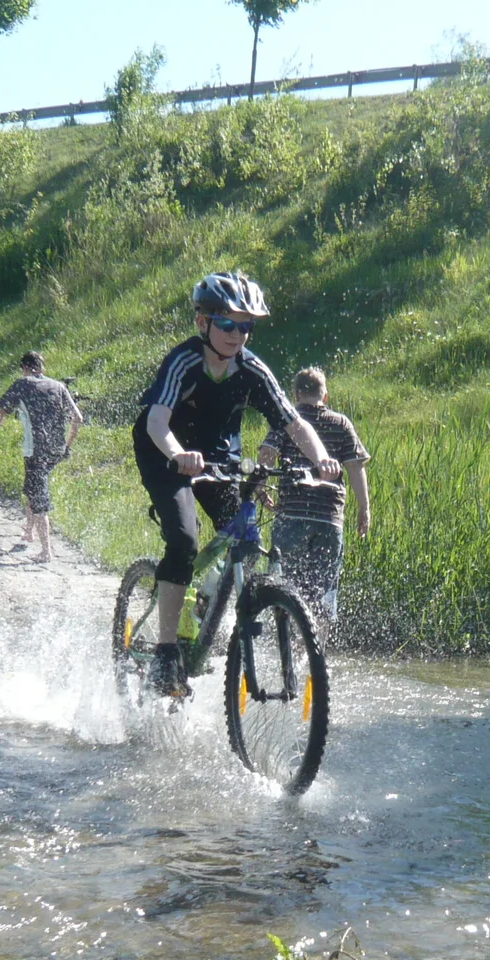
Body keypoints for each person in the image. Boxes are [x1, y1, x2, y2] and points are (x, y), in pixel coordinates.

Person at [135, 271, 342, 697]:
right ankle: (166, 650)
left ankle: (211, 606)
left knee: (243, 538)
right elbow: (157, 420)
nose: (237, 334)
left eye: (245, 326)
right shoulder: (184, 361)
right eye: (227, 323)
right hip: (166, 455)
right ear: (203, 323)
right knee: (184, 540)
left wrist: (320, 457)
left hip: (218, 459)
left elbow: (293, 421)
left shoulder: (251, 369)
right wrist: (178, 454)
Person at [258, 366, 370, 624]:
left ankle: (287, 651)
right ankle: (314, 657)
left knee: (285, 589)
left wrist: (261, 488)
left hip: (291, 517)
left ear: (295, 394)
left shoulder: (287, 418)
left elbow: (267, 454)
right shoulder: (341, 423)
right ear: (325, 396)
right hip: (329, 520)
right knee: (323, 595)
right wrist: (364, 508)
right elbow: (355, 468)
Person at [0, 351, 82, 564]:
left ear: (24, 367)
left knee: (39, 497)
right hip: (56, 450)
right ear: (41, 367)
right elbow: (78, 418)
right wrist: (67, 446)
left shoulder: (22, 384)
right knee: (32, 486)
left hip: (35, 450)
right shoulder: (58, 386)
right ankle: (28, 531)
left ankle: (46, 551)